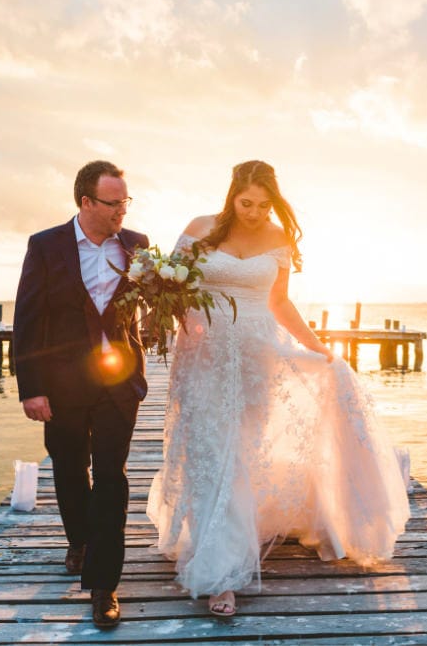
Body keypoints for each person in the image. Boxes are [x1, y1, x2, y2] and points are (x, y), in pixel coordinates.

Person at [146, 160, 410, 617]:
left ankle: (229, 541)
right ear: (231, 195)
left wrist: (318, 347)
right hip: (203, 357)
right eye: (245, 202)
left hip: (257, 357)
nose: (253, 212)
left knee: (242, 452)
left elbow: (280, 302)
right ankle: (220, 575)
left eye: (263, 205)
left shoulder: (278, 239)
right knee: (212, 455)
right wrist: (167, 316)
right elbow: (169, 290)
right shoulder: (198, 228)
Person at [13, 160, 149, 628]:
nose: (121, 212)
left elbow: (151, 303)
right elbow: (27, 321)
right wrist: (31, 389)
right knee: (70, 470)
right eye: (113, 203)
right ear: (86, 202)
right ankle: (79, 540)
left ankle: (103, 585)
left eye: (125, 202)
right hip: (62, 383)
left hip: (118, 384)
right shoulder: (46, 246)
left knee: (112, 478)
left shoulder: (137, 246)